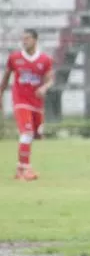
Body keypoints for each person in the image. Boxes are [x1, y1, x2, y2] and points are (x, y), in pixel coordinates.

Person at [1, 28, 54, 180]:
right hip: (20, 101)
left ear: (35, 40)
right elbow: (5, 77)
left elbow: (50, 79)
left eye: (27, 39)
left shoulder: (45, 59)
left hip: (36, 103)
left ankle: (19, 168)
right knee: (27, 133)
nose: (24, 41)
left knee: (37, 135)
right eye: (23, 39)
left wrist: (44, 87)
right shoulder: (14, 58)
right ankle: (26, 169)